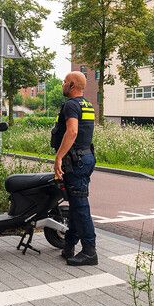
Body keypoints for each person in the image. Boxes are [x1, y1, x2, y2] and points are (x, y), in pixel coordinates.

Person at [51, 71, 97, 266]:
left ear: (71, 85)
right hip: (86, 157)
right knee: (77, 206)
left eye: (64, 82)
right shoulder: (87, 104)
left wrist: (59, 157)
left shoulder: (71, 105)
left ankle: (89, 251)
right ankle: (69, 246)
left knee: (80, 206)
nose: (62, 84)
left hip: (75, 160)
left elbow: (72, 131)